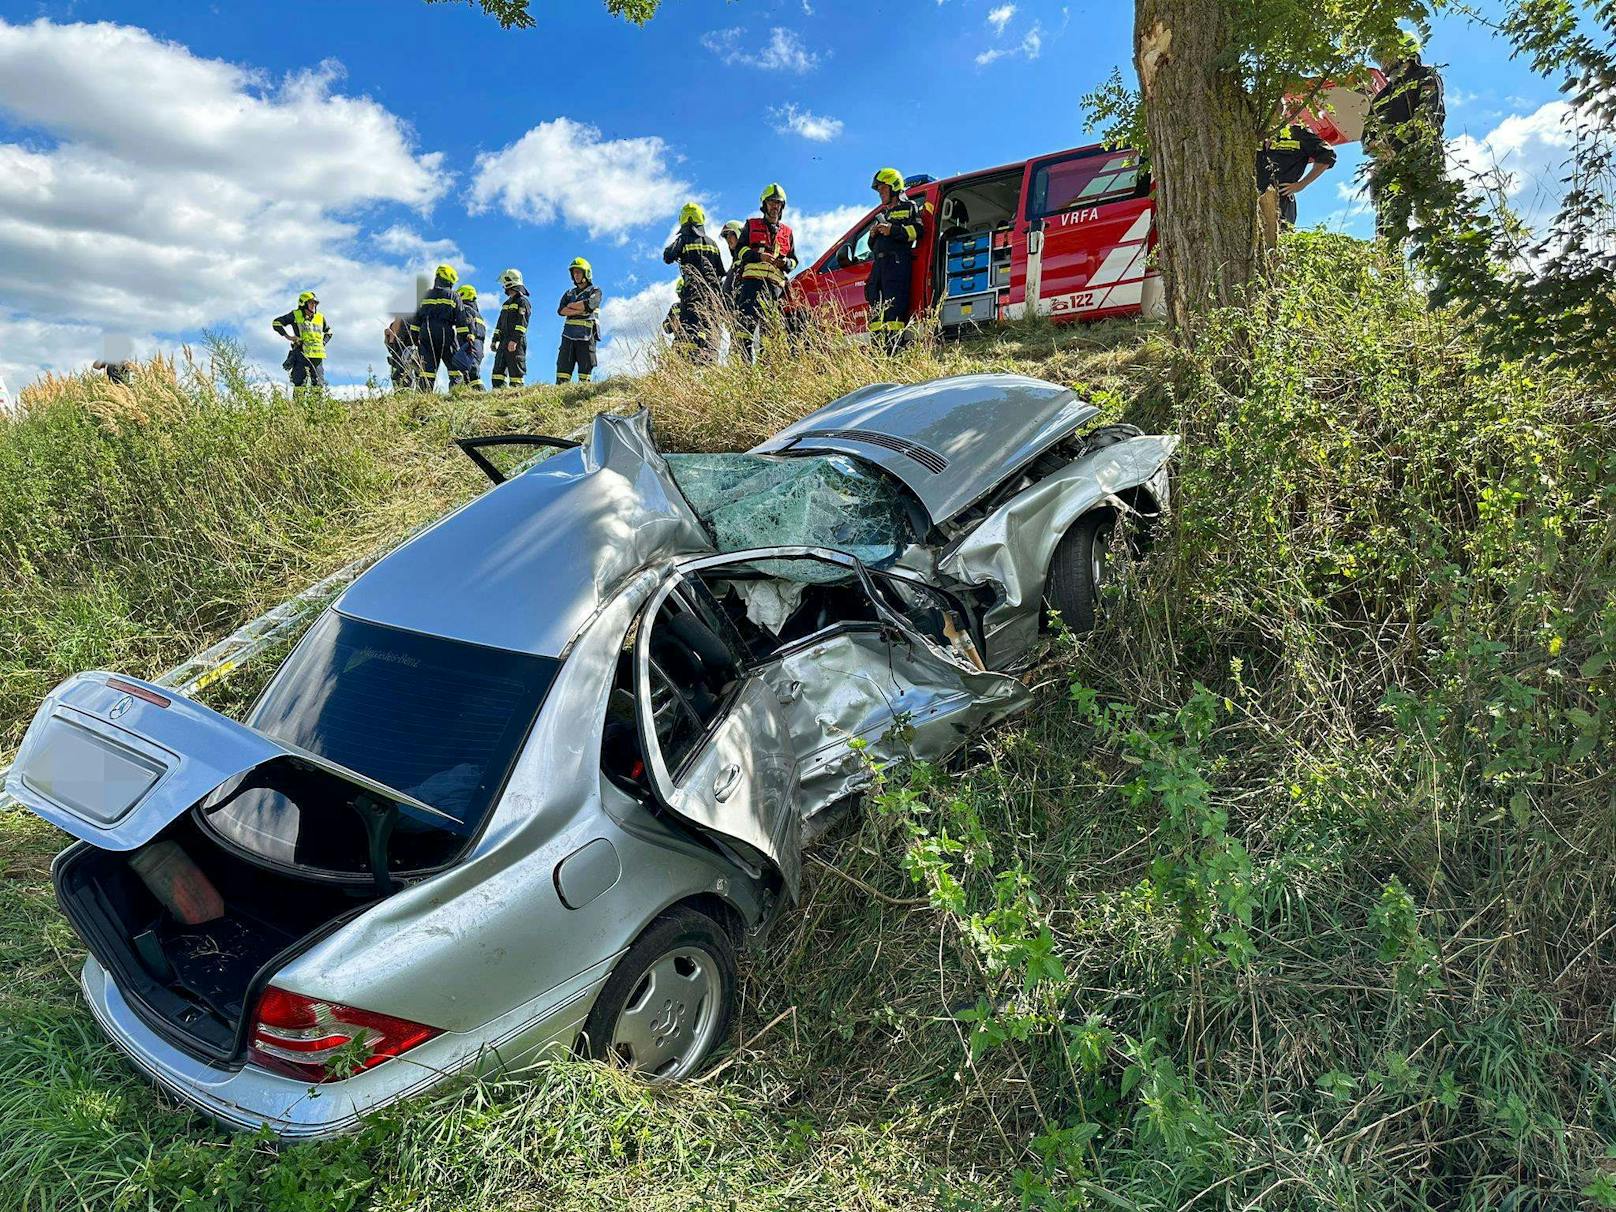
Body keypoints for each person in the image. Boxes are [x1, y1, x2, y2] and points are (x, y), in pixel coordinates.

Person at [1364, 32, 1446, 243]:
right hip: (1389, 167)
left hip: (1423, 159)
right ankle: (1388, 272)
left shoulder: (1426, 77)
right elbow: (1367, 134)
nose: (1382, 64)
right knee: (1388, 225)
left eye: (1385, 56)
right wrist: (1378, 148)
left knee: (1433, 219)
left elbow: (1428, 116)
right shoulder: (1381, 96)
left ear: (1404, 52)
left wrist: (1398, 147)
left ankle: (1451, 267)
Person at [734, 184, 798, 363]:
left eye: (778, 203)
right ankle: (744, 369)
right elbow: (739, 251)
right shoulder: (751, 225)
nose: (774, 206)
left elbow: (794, 260)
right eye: (771, 202)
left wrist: (785, 263)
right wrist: (758, 256)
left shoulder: (788, 232)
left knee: (769, 333)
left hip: (775, 290)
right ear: (764, 204)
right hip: (751, 285)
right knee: (744, 328)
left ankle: (767, 370)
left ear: (782, 206)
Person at [866, 167, 926, 350]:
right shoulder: (881, 214)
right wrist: (873, 234)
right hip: (879, 265)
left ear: (894, 187)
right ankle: (878, 353)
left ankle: (893, 352)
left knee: (893, 309)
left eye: (883, 189)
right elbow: (871, 245)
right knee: (876, 308)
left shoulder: (909, 207)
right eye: (878, 190)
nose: (880, 193)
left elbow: (917, 231)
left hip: (897, 263)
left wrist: (892, 230)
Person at [662, 202, 725, 361]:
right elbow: (721, 273)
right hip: (712, 298)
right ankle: (709, 363)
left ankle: (688, 363)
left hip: (691, 294)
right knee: (709, 331)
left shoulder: (683, 240)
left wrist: (681, 242)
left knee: (690, 328)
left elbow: (668, 256)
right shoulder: (713, 244)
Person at [1256, 120, 1337, 229]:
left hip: (1281, 201)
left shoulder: (1297, 133)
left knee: (1278, 239)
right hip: (1252, 200)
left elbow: (1327, 155)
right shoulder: (1255, 134)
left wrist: (1302, 184)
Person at [410, 264, 463, 390]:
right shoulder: (454, 296)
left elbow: (416, 319)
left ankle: (424, 396)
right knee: (455, 368)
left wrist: (414, 338)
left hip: (426, 333)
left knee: (427, 370)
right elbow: (461, 320)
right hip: (446, 334)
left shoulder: (424, 295)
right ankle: (456, 395)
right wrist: (466, 339)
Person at [271, 291, 332, 390]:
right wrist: (288, 337)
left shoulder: (320, 317)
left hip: (317, 357)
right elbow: (276, 323)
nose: (314, 305)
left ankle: (316, 406)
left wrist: (323, 343)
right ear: (303, 303)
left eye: (315, 303)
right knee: (299, 385)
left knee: (318, 386)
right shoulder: (295, 315)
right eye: (311, 303)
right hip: (301, 354)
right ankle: (298, 405)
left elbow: (329, 332)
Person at [556, 257, 602, 385]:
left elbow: (591, 305)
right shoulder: (569, 293)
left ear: (586, 273)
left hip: (586, 337)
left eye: (578, 272)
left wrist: (571, 306)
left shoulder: (595, 291)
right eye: (574, 272)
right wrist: (581, 309)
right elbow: (560, 311)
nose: (576, 275)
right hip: (568, 337)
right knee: (562, 371)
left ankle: (582, 398)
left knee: (585, 374)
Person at [490, 268, 530, 389]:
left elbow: (522, 323)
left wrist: (515, 340)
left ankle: (516, 398)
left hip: (515, 342)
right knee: (497, 373)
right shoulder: (506, 304)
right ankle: (498, 397)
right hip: (503, 341)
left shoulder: (523, 302)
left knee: (516, 374)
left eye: (504, 284)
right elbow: (499, 324)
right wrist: (494, 339)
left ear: (510, 282)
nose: (503, 287)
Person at [450, 284, 486, 390]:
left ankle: (480, 393)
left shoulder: (465, 309)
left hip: (469, 343)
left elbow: (469, 323)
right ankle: (470, 393)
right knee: (468, 372)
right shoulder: (478, 314)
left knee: (471, 371)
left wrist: (470, 336)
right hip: (479, 346)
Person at [383, 318, 420, 390]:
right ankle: (406, 391)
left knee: (402, 370)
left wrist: (391, 339)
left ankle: (404, 391)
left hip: (405, 340)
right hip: (404, 341)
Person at [719, 220, 746, 312]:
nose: (728, 239)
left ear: (739, 233)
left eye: (730, 234)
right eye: (726, 236)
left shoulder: (747, 259)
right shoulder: (735, 261)